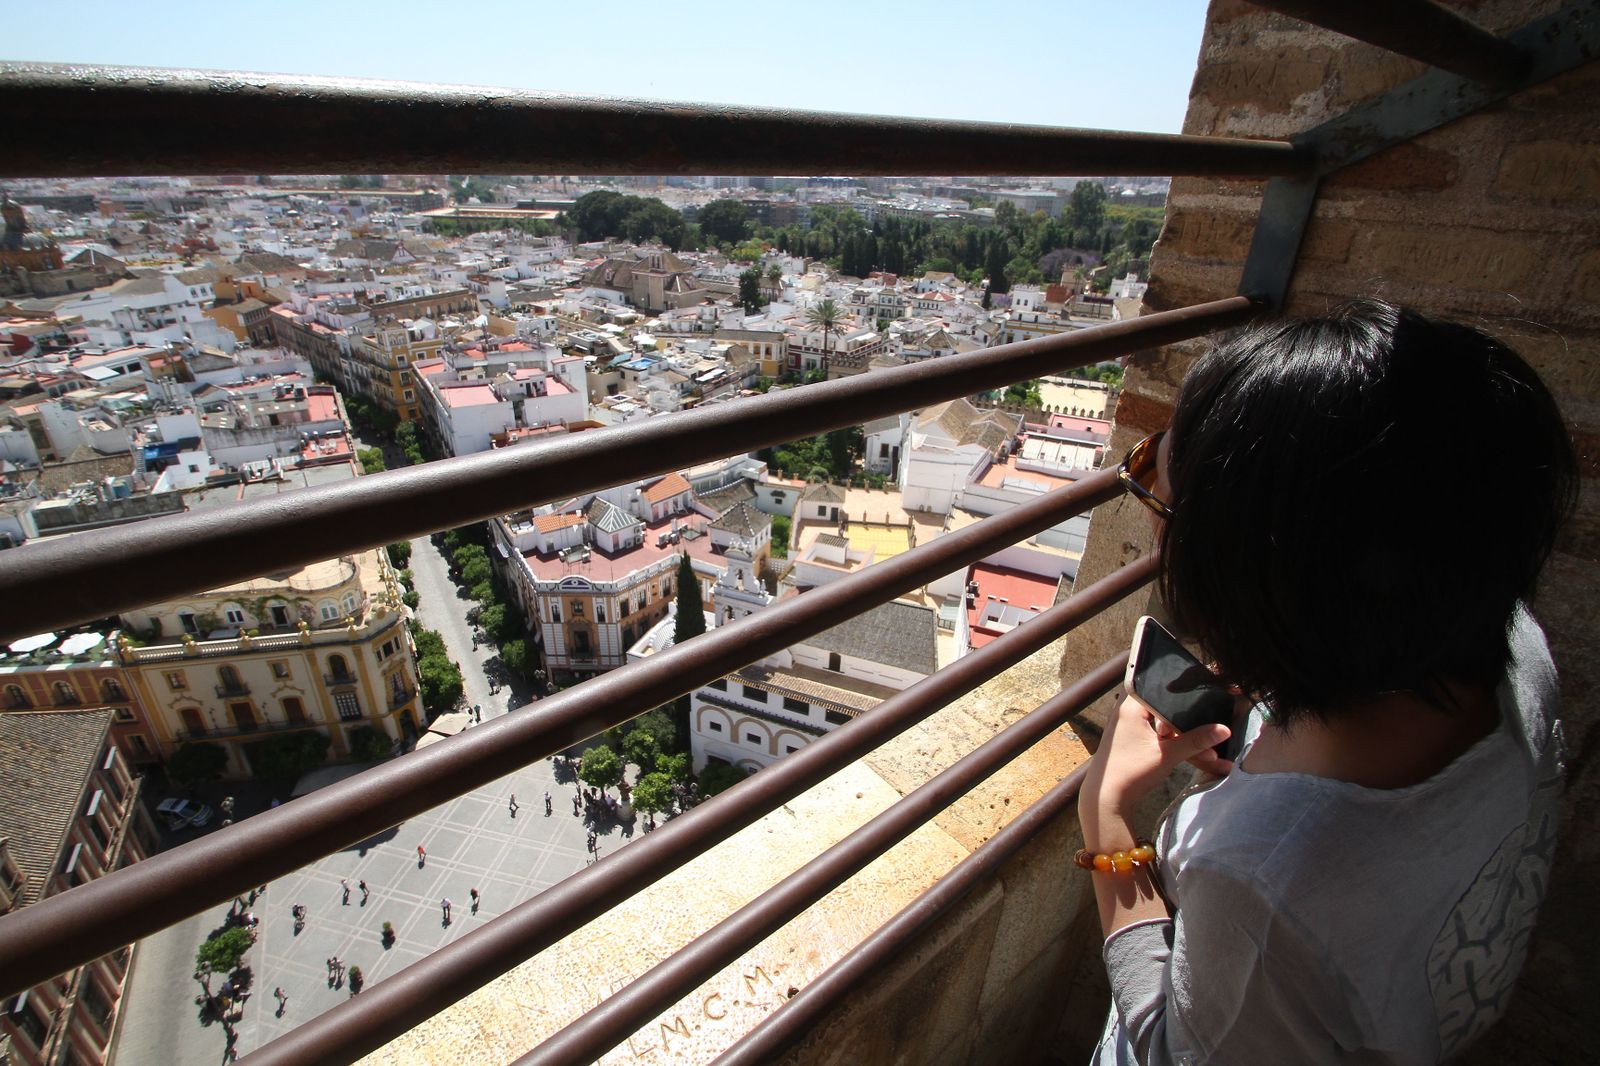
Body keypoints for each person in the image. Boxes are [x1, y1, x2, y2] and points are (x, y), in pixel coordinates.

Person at [1086, 301, 1575, 1066]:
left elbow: (1165, 1048)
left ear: (1253, 569)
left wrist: (1108, 821)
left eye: (1157, 490)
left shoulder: (1262, 878)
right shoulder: (1511, 645)